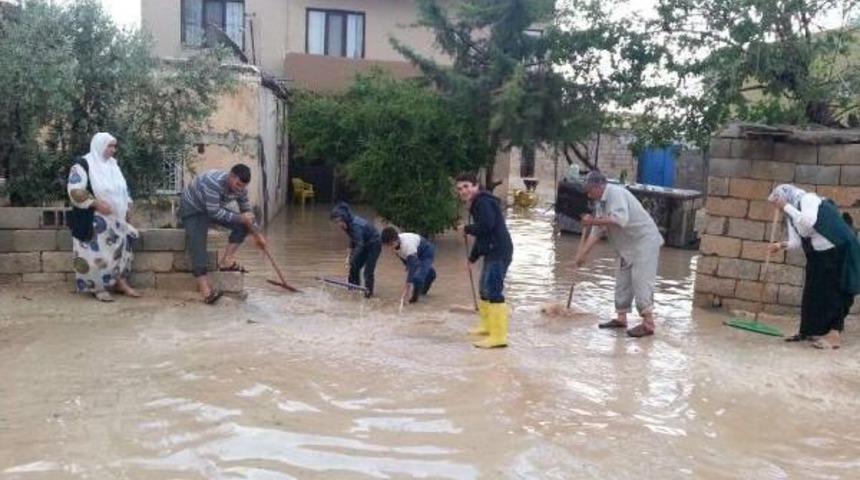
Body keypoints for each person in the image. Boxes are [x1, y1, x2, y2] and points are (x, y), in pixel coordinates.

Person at [767, 184, 860, 349]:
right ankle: (810, 331)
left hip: (837, 248)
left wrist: (786, 207)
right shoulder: (790, 215)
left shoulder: (808, 199)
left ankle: (834, 336)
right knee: (813, 291)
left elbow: (809, 222)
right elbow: (796, 242)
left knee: (834, 293)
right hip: (818, 253)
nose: (777, 207)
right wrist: (780, 245)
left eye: (777, 202)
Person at [573, 171, 664, 337]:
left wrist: (591, 220)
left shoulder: (615, 193)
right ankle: (621, 318)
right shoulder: (600, 202)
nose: (588, 194)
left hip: (643, 241)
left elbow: (619, 220)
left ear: (598, 186)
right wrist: (582, 255)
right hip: (627, 246)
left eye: (589, 190)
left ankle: (648, 323)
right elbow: (597, 231)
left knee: (640, 281)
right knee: (622, 281)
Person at [67, 132, 141, 302]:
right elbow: (75, 190)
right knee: (95, 256)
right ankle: (97, 287)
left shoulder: (113, 165)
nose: (113, 150)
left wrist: (128, 206)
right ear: (100, 145)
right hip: (94, 219)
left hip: (116, 221)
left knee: (119, 252)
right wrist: (97, 204)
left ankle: (119, 283)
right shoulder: (83, 165)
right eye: (110, 146)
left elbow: (123, 189)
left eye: (114, 146)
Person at [180, 164, 264, 304]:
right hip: (193, 208)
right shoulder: (213, 183)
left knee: (243, 226)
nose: (240, 189)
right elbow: (214, 212)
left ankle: (226, 261)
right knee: (198, 246)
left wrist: (257, 234)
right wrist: (240, 218)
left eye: (242, 186)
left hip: (212, 206)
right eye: (237, 185)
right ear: (231, 176)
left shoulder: (241, 189)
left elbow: (247, 212)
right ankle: (206, 292)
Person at [455, 173, 514, 348]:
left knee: (494, 291)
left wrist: (467, 228)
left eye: (466, 186)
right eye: (459, 189)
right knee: (484, 290)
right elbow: (484, 236)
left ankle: (499, 336)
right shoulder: (478, 203)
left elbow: (486, 226)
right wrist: (472, 258)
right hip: (492, 250)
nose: (463, 191)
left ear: (475, 186)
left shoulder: (482, 202)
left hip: (499, 251)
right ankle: (487, 327)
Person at [330, 202, 381, 298]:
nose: (338, 224)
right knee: (354, 267)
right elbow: (353, 238)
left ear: (343, 218)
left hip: (374, 244)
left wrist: (351, 258)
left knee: (368, 271)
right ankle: (353, 290)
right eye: (336, 222)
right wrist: (349, 251)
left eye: (338, 221)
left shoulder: (356, 225)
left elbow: (359, 244)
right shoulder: (346, 224)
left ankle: (368, 295)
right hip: (363, 243)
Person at [381, 226, 437, 304]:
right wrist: (407, 265)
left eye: (391, 244)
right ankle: (431, 274)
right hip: (415, 253)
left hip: (426, 252)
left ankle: (414, 300)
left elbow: (412, 267)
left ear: (396, 240)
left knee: (417, 278)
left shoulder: (407, 245)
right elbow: (402, 256)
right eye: (388, 245)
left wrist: (408, 286)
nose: (390, 247)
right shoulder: (395, 245)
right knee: (420, 272)